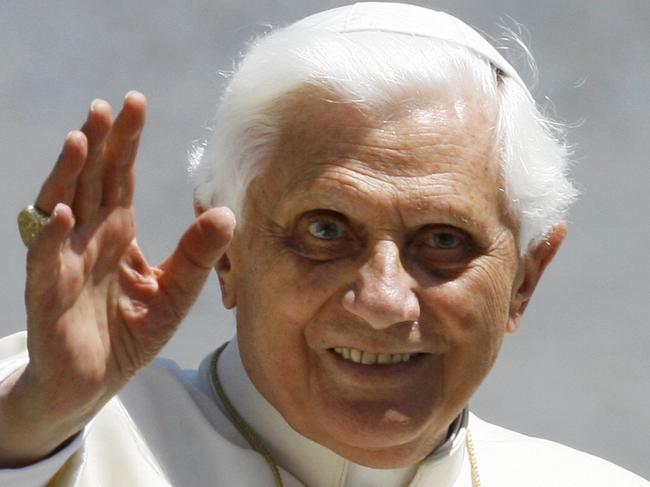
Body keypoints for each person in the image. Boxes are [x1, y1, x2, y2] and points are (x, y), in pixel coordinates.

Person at [0, 2, 647, 486]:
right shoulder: (72, 435)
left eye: (444, 239)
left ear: (525, 279)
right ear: (229, 253)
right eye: (326, 230)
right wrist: (38, 416)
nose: (385, 301)